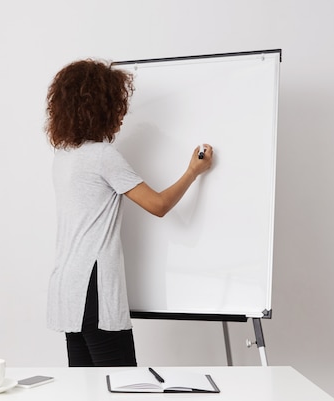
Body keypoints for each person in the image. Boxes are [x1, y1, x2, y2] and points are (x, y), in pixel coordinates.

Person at [44, 59, 214, 367]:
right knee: (123, 390)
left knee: (86, 391)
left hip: (68, 286)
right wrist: (193, 171)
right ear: (102, 107)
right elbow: (158, 205)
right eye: (118, 105)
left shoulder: (64, 157)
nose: (121, 114)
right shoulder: (103, 156)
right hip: (93, 286)